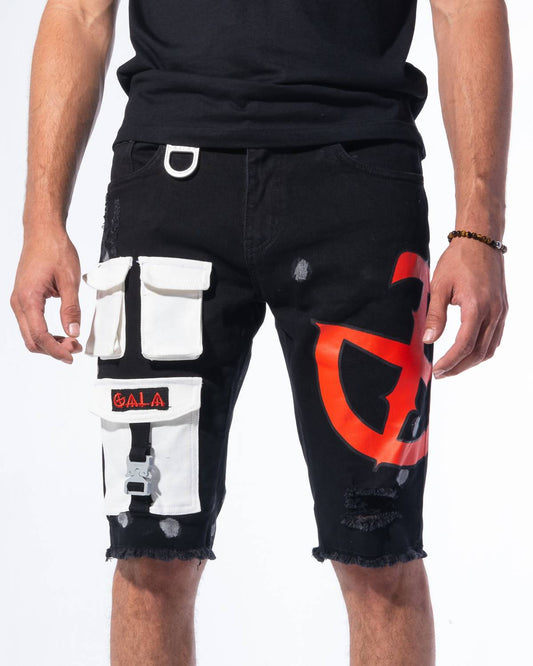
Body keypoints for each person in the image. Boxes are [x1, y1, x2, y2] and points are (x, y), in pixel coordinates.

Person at [10, 0, 511, 664]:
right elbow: (78, 11)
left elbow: (464, 7)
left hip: (359, 186)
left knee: (378, 546)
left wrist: (479, 231)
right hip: (170, 185)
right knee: (150, 545)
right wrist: (41, 221)